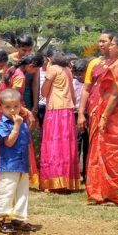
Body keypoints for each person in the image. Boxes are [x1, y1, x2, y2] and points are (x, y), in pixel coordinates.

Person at [85, 34, 118, 205]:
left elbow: (115, 95)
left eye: (113, 44)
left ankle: (116, 194)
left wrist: (104, 116)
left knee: (113, 154)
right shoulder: (116, 64)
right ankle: (107, 192)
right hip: (114, 115)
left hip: (115, 118)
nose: (109, 47)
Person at [0, 89, 36, 234]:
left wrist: (29, 165)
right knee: (7, 191)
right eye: (7, 107)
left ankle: (18, 218)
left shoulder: (23, 124)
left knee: (22, 192)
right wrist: (17, 126)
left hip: (22, 164)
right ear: (0, 108)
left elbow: (26, 145)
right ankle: (4, 219)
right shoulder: (2, 124)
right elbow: (9, 142)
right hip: (8, 165)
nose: (12, 110)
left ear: (20, 106)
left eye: (16, 106)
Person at [39, 51, 79, 192]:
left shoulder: (52, 69)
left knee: (54, 144)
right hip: (68, 110)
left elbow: (44, 92)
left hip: (55, 110)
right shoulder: (67, 70)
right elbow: (73, 93)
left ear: (49, 59)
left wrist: (49, 67)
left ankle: (54, 180)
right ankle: (67, 181)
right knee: (66, 145)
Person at [71, 59, 89, 182]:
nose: (79, 76)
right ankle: (77, 172)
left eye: (81, 73)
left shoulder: (90, 83)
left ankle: (87, 172)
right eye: (76, 73)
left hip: (88, 115)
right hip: (75, 114)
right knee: (76, 143)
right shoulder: (73, 83)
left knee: (88, 144)